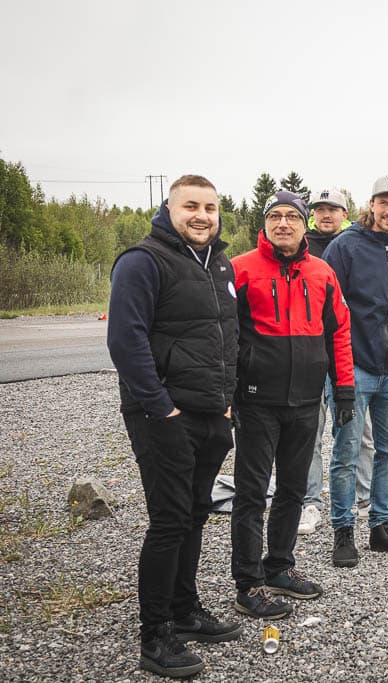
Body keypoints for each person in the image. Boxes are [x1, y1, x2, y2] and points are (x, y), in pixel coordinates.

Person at [107, 174, 240, 678]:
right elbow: (126, 342)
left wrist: (226, 404)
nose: (202, 215)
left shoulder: (218, 264)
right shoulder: (143, 261)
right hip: (161, 416)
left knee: (196, 512)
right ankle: (155, 634)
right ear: (170, 208)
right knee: (168, 521)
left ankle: (184, 611)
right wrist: (161, 409)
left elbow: (228, 335)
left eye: (210, 207)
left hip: (211, 412)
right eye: (191, 206)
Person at [230, 191, 355, 618]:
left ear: (304, 225)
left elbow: (339, 332)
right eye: (275, 216)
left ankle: (279, 566)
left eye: (292, 217)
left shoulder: (321, 272)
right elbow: (224, 336)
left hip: (305, 401)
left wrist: (344, 390)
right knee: (251, 494)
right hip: (256, 402)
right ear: (264, 223)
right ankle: (248, 583)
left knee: (292, 490)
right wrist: (226, 392)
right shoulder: (241, 269)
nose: (283, 223)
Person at [322, 175, 388, 568]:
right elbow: (329, 309)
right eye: (384, 203)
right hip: (353, 369)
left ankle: (382, 525)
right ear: (371, 204)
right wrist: (339, 362)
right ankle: (343, 530)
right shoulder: (344, 247)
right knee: (347, 451)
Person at [297, 188, 388, 535]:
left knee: (362, 436)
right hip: (313, 356)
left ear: (346, 213)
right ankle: (309, 502)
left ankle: (365, 497)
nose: (326, 214)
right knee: (310, 433)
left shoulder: (359, 244)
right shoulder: (301, 247)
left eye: (333, 209)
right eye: (320, 209)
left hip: (351, 358)